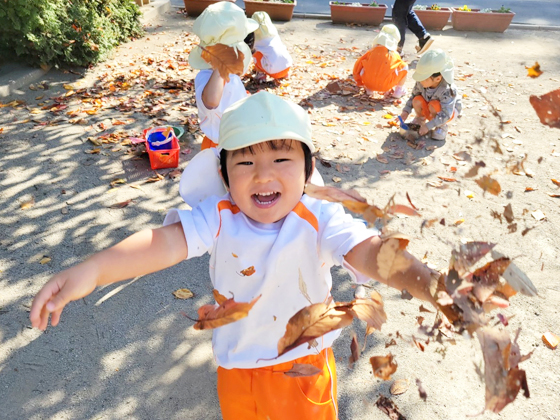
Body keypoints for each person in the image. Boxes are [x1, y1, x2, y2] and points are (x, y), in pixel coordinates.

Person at [30, 91, 438, 420]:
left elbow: (368, 252)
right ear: (224, 174)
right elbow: (167, 242)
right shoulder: (220, 215)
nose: (263, 175)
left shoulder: (320, 217)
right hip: (236, 368)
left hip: (303, 366)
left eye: (281, 158)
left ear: (307, 168)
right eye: (245, 161)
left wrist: (431, 284)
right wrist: (95, 268)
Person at [189, 1, 258, 150]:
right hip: (220, 147)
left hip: (236, 139)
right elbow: (212, 101)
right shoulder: (208, 77)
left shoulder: (228, 75)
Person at [398, 49, 462, 141]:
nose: (420, 81)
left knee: (434, 105)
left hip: (447, 113)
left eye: (423, 79)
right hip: (430, 105)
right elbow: (413, 97)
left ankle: (441, 127)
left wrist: (428, 126)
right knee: (416, 99)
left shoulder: (447, 90)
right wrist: (406, 111)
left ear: (437, 79)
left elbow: (446, 114)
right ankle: (421, 119)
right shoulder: (422, 82)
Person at [352, 24, 409, 98]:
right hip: (387, 86)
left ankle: (369, 89)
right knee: (404, 66)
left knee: (366, 65)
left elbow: (357, 65)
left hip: (368, 83)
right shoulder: (394, 54)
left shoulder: (370, 52)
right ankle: (398, 90)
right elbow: (396, 67)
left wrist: (359, 82)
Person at [251, 11, 293, 82]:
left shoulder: (257, 39)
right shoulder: (273, 33)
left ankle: (261, 74)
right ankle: (284, 74)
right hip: (287, 65)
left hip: (274, 71)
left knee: (255, 53)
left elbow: (252, 52)